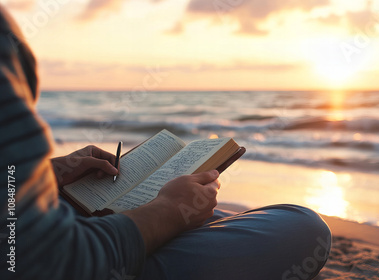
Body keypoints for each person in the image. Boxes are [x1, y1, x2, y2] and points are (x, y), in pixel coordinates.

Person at [0, 5, 331, 280]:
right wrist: (167, 212)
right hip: (73, 256)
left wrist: (43, 174)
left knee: (210, 218)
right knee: (302, 226)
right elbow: (48, 263)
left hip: (42, 224)